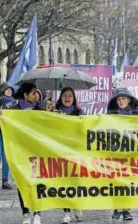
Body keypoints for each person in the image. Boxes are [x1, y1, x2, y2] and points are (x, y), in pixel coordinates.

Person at [6, 83, 44, 224]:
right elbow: (5, 126)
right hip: (20, 152)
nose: (36, 95)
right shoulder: (13, 110)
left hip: (36, 152)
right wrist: (1, 115)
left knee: (37, 182)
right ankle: (26, 213)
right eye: (33, 93)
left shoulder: (40, 109)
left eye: (36, 93)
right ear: (25, 95)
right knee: (22, 183)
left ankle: (37, 213)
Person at [108, 88, 138, 222]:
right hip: (116, 152)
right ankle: (117, 209)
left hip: (131, 152)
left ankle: (126, 210)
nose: (121, 101)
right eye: (118, 99)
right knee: (117, 182)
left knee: (129, 182)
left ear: (129, 100)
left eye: (123, 98)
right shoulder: (111, 115)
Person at [54, 87, 83, 223]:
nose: (67, 98)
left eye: (70, 95)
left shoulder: (79, 112)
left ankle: (76, 204)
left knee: (75, 182)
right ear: (61, 97)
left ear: (74, 98)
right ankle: (67, 212)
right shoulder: (54, 111)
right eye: (65, 95)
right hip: (59, 152)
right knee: (64, 183)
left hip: (75, 152)